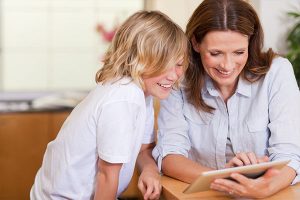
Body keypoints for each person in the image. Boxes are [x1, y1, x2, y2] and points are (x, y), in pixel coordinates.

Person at [30, 10, 190, 200]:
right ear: (137, 59)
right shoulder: (124, 98)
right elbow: (106, 175)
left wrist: (150, 169)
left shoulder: (141, 92)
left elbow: (143, 148)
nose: (173, 75)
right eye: (163, 65)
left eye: (179, 64)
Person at [153, 0, 300, 198]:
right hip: (204, 195)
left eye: (239, 52)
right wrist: (230, 179)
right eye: (215, 53)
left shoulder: (277, 72)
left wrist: (265, 186)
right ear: (196, 43)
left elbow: (290, 155)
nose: (227, 65)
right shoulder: (179, 78)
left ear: (250, 41)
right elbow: (170, 156)